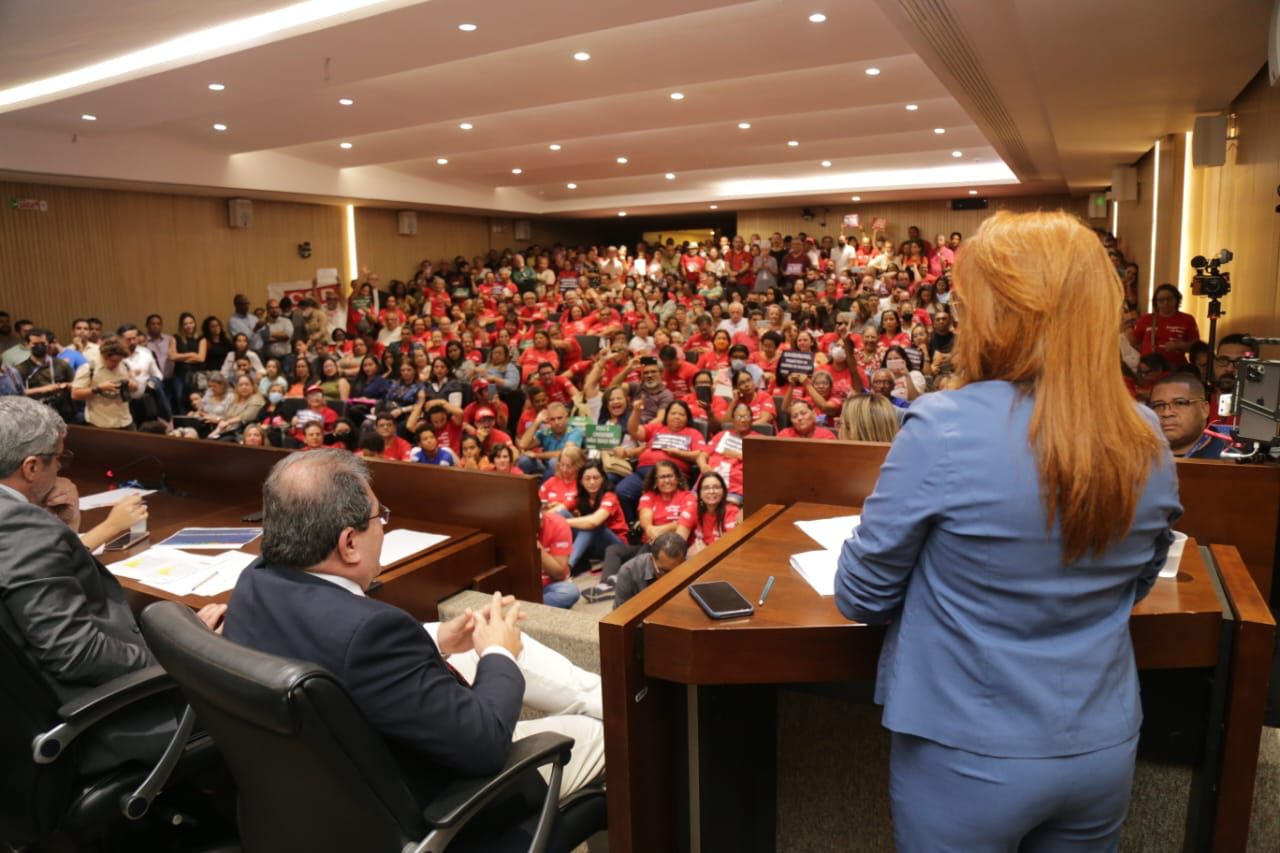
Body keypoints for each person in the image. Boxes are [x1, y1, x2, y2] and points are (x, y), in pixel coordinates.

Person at [833, 211, 1181, 850]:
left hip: (967, 750)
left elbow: (862, 597)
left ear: (1001, 314)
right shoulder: (1148, 434)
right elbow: (1136, 584)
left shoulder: (942, 427)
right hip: (1101, 744)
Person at [222, 450, 604, 810]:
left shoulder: (254, 580)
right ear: (350, 543)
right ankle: (623, 714)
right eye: (379, 517)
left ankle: (604, 697)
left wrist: (439, 639)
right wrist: (499, 653)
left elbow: (343, 653)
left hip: (321, 794)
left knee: (477, 641)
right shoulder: (370, 633)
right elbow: (484, 743)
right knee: (604, 734)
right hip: (445, 796)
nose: (383, 528)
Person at [0, 397, 224, 773]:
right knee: (251, 703)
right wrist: (179, 654)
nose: (61, 469)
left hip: (21, 725)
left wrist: (64, 530)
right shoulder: (25, 529)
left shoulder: (23, 525)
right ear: (32, 466)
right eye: (58, 459)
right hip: (103, 720)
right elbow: (77, 655)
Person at [563, 460, 629, 574]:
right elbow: (557, 510)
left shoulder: (610, 496)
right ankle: (555, 559)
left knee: (592, 524)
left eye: (596, 478)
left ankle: (567, 568)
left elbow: (594, 521)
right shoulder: (581, 497)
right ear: (581, 481)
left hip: (615, 545)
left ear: (603, 479)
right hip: (593, 545)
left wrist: (563, 522)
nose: (592, 482)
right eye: (587, 478)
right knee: (561, 513)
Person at [1148, 373, 1229, 459]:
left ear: (1204, 409)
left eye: (1180, 403)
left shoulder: (1231, 459)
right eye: (1158, 405)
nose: (1166, 413)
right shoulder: (1138, 456)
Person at [71, 337, 137, 429]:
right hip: (100, 423)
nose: (116, 364)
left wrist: (132, 385)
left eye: (119, 361)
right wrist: (99, 388)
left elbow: (135, 387)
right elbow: (75, 394)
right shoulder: (88, 368)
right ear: (103, 355)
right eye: (112, 361)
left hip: (125, 421)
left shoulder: (124, 365)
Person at [611, 532, 688, 609]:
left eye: (676, 572)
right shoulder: (628, 572)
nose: (670, 578)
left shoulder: (691, 567)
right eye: (664, 572)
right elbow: (621, 615)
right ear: (651, 559)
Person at [1133, 283, 1200, 368]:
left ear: (1176, 299)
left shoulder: (1188, 319)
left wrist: (1179, 345)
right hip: (1150, 370)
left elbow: (1196, 347)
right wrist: (1148, 351)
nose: (1165, 302)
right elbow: (1135, 342)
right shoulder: (1146, 319)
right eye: (1161, 300)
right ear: (1156, 303)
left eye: (1169, 299)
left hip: (1176, 369)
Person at [687, 471, 739, 556]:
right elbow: (680, 538)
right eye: (706, 488)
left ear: (724, 491)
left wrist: (705, 551)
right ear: (699, 493)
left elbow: (732, 546)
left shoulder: (732, 511)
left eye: (716, 487)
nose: (711, 491)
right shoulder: (693, 508)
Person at [537, 509, 580, 609]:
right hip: (521, 587)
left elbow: (559, 574)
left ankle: (525, 608)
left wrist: (535, 544)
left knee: (570, 592)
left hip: (549, 586)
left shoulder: (557, 523)